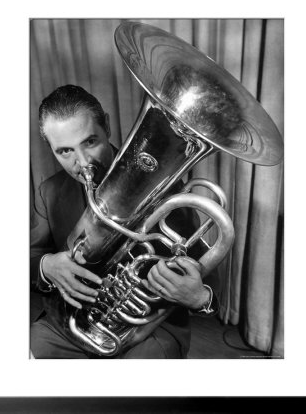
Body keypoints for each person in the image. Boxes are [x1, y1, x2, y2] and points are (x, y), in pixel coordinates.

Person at [30, 85, 218, 359]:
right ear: (51, 149)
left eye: (90, 142)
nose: (83, 163)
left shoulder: (161, 187)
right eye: (65, 151)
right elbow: (33, 255)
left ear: (106, 125)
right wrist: (47, 266)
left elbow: (207, 273)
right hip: (68, 320)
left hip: (147, 329)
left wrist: (200, 297)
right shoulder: (50, 192)